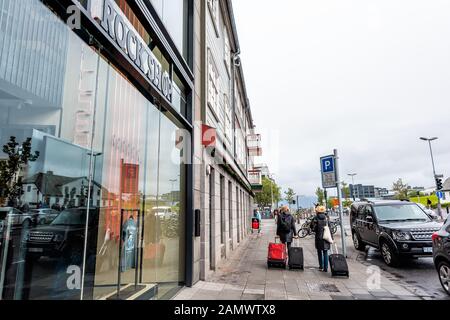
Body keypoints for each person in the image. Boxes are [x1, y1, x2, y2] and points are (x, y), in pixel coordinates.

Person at [311, 205, 333, 272]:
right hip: (326, 237)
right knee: (325, 252)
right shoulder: (326, 218)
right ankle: (326, 268)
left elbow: (313, 229)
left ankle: (321, 266)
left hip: (319, 237)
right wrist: (332, 238)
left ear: (317, 211)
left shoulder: (315, 218)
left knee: (319, 252)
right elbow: (330, 228)